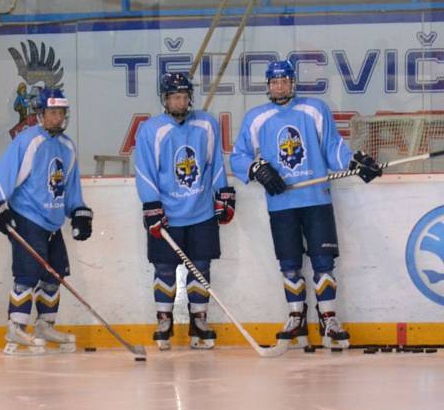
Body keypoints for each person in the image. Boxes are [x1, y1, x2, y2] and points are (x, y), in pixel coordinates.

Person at [230, 60, 382, 349]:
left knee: (323, 263)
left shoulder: (314, 109)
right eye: (274, 82)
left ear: (292, 83)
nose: (279, 86)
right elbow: (238, 156)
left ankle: (328, 319)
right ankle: (296, 318)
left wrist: (354, 162)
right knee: (289, 264)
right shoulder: (256, 117)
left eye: (284, 81)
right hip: (281, 203)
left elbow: (332, 146)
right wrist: (256, 169)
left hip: (316, 198)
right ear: (268, 86)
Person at [0, 88, 93, 355]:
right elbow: (5, 173)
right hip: (28, 218)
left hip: (53, 222)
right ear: (41, 114)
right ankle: (16, 327)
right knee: (27, 274)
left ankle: (44, 325)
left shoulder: (67, 146)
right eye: (52, 112)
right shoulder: (28, 141)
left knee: (55, 274)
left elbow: (69, 186)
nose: (58, 117)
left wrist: (78, 210)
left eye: (61, 112)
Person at [134, 72, 234, 351]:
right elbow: (144, 170)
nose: (180, 101)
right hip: (167, 214)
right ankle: (164, 320)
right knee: (164, 268)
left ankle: (199, 321)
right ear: (165, 99)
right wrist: (151, 204)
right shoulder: (152, 129)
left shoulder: (206, 124)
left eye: (184, 96)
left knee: (201, 266)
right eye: (175, 97)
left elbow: (214, 165)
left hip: (200, 212)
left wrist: (223, 194)